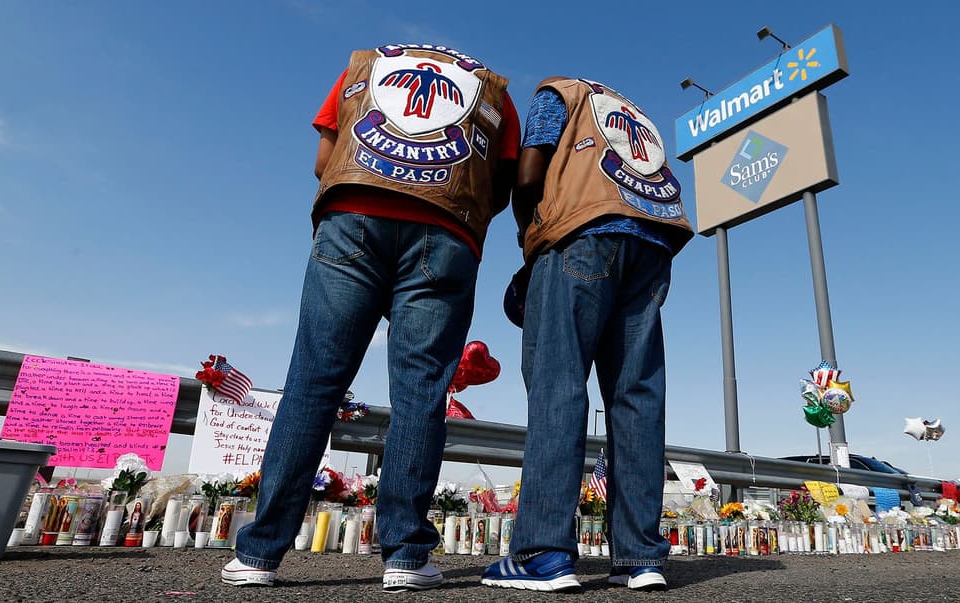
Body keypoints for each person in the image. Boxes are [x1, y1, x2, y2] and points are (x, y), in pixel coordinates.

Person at [221, 43, 519, 592]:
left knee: (313, 385)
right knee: (421, 394)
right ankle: (406, 556)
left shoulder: (366, 66)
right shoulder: (494, 91)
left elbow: (322, 161)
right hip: (447, 232)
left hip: (353, 215)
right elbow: (497, 188)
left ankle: (260, 554)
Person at [481, 77, 694, 593]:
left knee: (559, 384)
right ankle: (641, 558)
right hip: (651, 244)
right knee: (637, 396)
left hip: (581, 236)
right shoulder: (630, 109)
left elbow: (530, 174)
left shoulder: (558, 93)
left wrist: (530, 238)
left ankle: (543, 553)